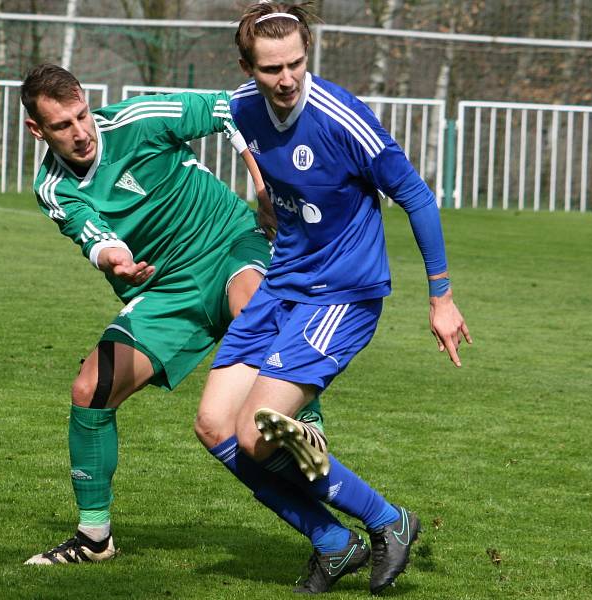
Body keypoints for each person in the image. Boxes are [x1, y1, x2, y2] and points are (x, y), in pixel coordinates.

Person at [193, 2, 471, 594]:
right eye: (271, 69)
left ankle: (388, 521)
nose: (287, 79)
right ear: (247, 66)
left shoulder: (343, 117)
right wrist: (270, 200)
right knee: (214, 424)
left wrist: (440, 296)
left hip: (342, 294)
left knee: (256, 431)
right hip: (281, 285)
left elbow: (417, 197)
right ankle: (333, 542)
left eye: (296, 63)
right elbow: (276, 174)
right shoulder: (242, 108)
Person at [19, 63, 322, 565]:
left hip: (228, 243)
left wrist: (263, 188)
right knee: (90, 389)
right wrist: (114, 256)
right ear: (37, 130)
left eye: (81, 116)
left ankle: (308, 427)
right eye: (62, 126)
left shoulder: (140, 117)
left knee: (254, 310)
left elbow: (232, 109)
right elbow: (93, 236)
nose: (80, 133)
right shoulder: (53, 186)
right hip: (166, 289)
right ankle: (94, 539)